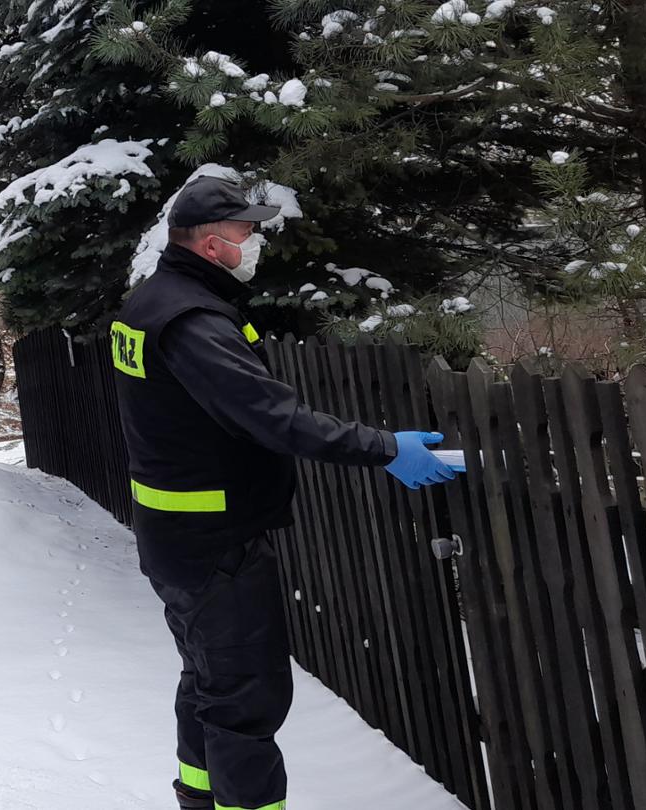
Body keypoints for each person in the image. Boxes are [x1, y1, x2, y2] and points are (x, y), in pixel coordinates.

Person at [110, 176, 458, 810]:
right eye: (248, 231)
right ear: (214, 245)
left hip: (181, 538)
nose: (258, 241)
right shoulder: (190, 320)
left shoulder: (156, 300)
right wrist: (385, 448)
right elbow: (277, 419)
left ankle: (199, 798)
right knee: (245, 699)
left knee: (210, 682)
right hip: (215, 546)